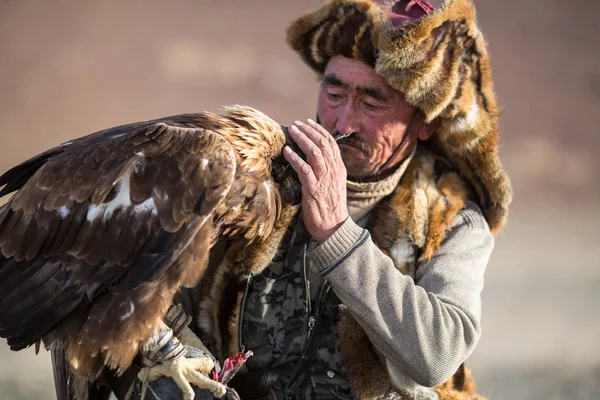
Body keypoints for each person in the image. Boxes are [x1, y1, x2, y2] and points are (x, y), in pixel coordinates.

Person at [105, 0, 512, 399]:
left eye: (371, 103)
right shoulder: (252, 182)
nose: (342, 121)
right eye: (333, 94)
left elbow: (438, 358)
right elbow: (154, 297)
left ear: (425, 122)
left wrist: (337, 234)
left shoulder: (452, 221)